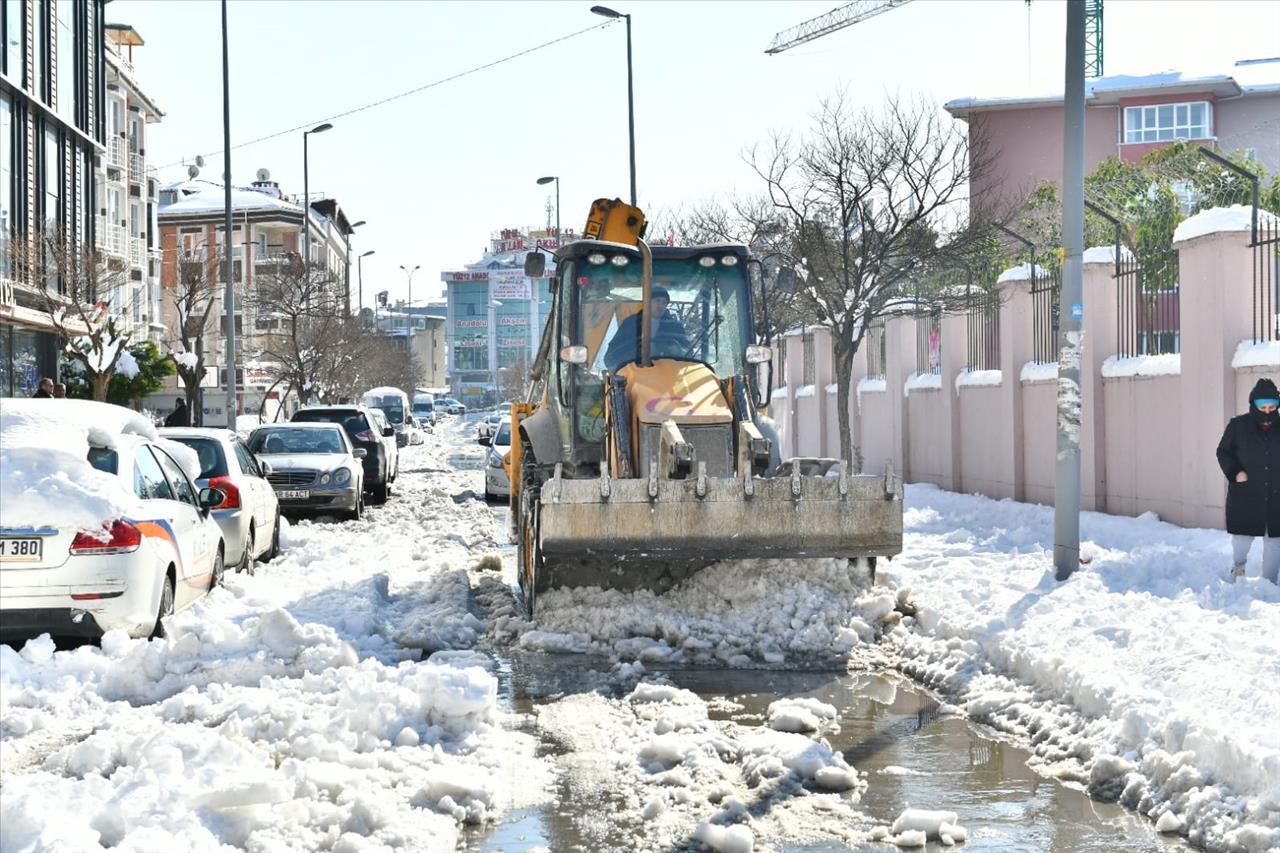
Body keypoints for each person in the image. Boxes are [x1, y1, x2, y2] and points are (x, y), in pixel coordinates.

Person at [1217, 377, 1280, 584]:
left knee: (1274, 539)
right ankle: (1239, 568)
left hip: (1276, 493)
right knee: (1242, 536)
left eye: (1273, 406)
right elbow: (1223, 452)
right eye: (1263, 406)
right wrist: (1235, 472)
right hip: (1246, 492)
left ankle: (1269, 580)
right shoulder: (1238, 426)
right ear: (1254, 404)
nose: (1268, 411)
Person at [603, 285, 691, 372]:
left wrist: (678, 350)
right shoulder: (631, 324)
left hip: (668, 375)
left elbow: (689, 353)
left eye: (664, 302)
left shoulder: (674, 327)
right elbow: (611, 356)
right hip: (635, 375)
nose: (660, 305)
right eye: (657, 301)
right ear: (648, 303)